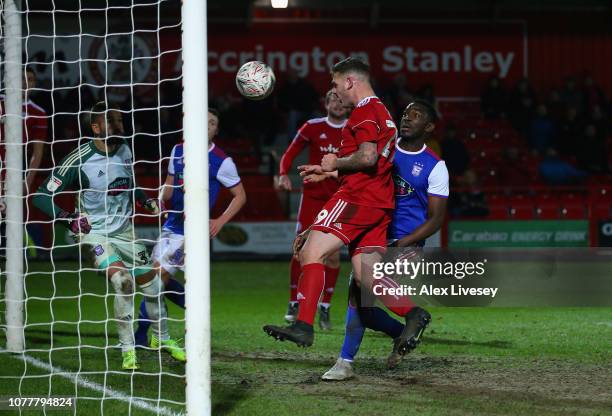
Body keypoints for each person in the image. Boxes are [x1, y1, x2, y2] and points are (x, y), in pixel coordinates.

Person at [263, 57, 428, 351]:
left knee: (310, 251)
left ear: (351, 81)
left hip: (356, 198)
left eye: (336, 84)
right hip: (379, 204)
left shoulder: (364, 111)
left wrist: (334, 161)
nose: (335, 91)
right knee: (367, 274)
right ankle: (413, 313)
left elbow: (367, 158)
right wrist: (328, 171)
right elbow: (373, 163)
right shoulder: (383, 113)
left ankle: (303, 325)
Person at [33, 102, 185, 370]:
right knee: (123, 282)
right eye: (112, 121)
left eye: (121, 121)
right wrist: (68, 217)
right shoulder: (79, 159)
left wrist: (144, 201)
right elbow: (41, 195)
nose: (119, 126)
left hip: (125, 232)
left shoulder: (125, 150)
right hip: (95, 235)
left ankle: (162, 339)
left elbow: (130, 183)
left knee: (153, 287)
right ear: (95, 127)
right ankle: (128, 350)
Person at [320, 100, 449, 380]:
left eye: (416, 116)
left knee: (361, 285)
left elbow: (436, 219)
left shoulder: (435, 166)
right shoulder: (382, 152)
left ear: (428, 127)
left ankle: (345, 362)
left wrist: (403, 245)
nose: (407, 119)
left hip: (405, 244)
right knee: (362, 307)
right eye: (405, 114)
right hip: (373, 234)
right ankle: (400, 331)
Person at [134, 108, 246, 345]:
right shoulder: (178, 150)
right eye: (203, 120)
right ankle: (194, 311)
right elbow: (169, 185)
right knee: (156, 281)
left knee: (155, 278)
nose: (207, 125)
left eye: (212, 122)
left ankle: (141, 336)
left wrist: (219, 220)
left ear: (216, 130)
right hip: (171, 225)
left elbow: (240, 196)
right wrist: (159, 199)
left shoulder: (222, 161)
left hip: (191, 233)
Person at [275, 90, 348, 329]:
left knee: (334, 256)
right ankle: (294, 301)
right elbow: (290, 153)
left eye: (341, 100)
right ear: (325, 103)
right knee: (300, 249)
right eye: (333, 100)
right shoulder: (312, 127)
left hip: (338, 199)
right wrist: (283, 173)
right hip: (313, 199)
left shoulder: (354, 129)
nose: (337, 104)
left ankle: (324, 306)